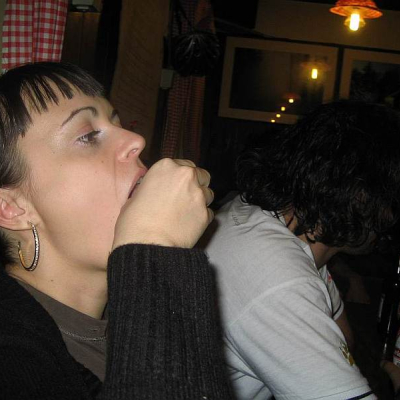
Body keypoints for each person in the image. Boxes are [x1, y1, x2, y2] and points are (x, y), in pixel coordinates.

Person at [0, 62, 233, 399]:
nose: (136, 139)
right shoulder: (13, 359)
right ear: (11, 208)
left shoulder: (119, 311)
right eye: (87, 136)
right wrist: (155, 248)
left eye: (116, 122)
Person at [201, 100, 400, 399]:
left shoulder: (270, 216)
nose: (391, 217)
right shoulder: (278, 275)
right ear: (360, 194)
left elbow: (343, 338)